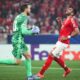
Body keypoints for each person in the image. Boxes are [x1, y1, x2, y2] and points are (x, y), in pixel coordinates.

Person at [35, 7, 79, 79]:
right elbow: (60, 31)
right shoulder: (65, 20)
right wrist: (59, 23)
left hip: (63, 42)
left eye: (70, 9)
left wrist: (67, 37)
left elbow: (77, 32)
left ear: (72, 13)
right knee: (55, 57)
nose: (67, 9)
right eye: (68, 9)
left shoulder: (72, 20)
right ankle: (67, 70)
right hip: (60, 41)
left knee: (51, 54)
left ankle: (41, 73)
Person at [0, 3, 40, 80]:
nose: (30, 10)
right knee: (17, 61)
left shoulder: (19, 16)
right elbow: (24, 31)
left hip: (19, 39)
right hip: (18, 40)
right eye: (29, 8)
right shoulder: (24, 17)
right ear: (25, 9)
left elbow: (21, 29)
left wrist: (30, 30)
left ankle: (29, 76)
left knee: (28, 56)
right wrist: (32, 31)